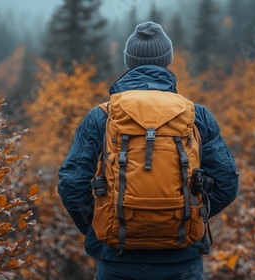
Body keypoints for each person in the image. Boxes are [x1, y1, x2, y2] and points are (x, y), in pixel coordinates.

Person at [57, 21, 239, 280]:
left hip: (117, 258)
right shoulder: (197, 116)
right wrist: (192, 214)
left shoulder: (102, 117)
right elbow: (227, 183)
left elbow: (70, 185)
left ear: (129, 62)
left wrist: (100, 227)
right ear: (168, 61)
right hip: (182, 260)